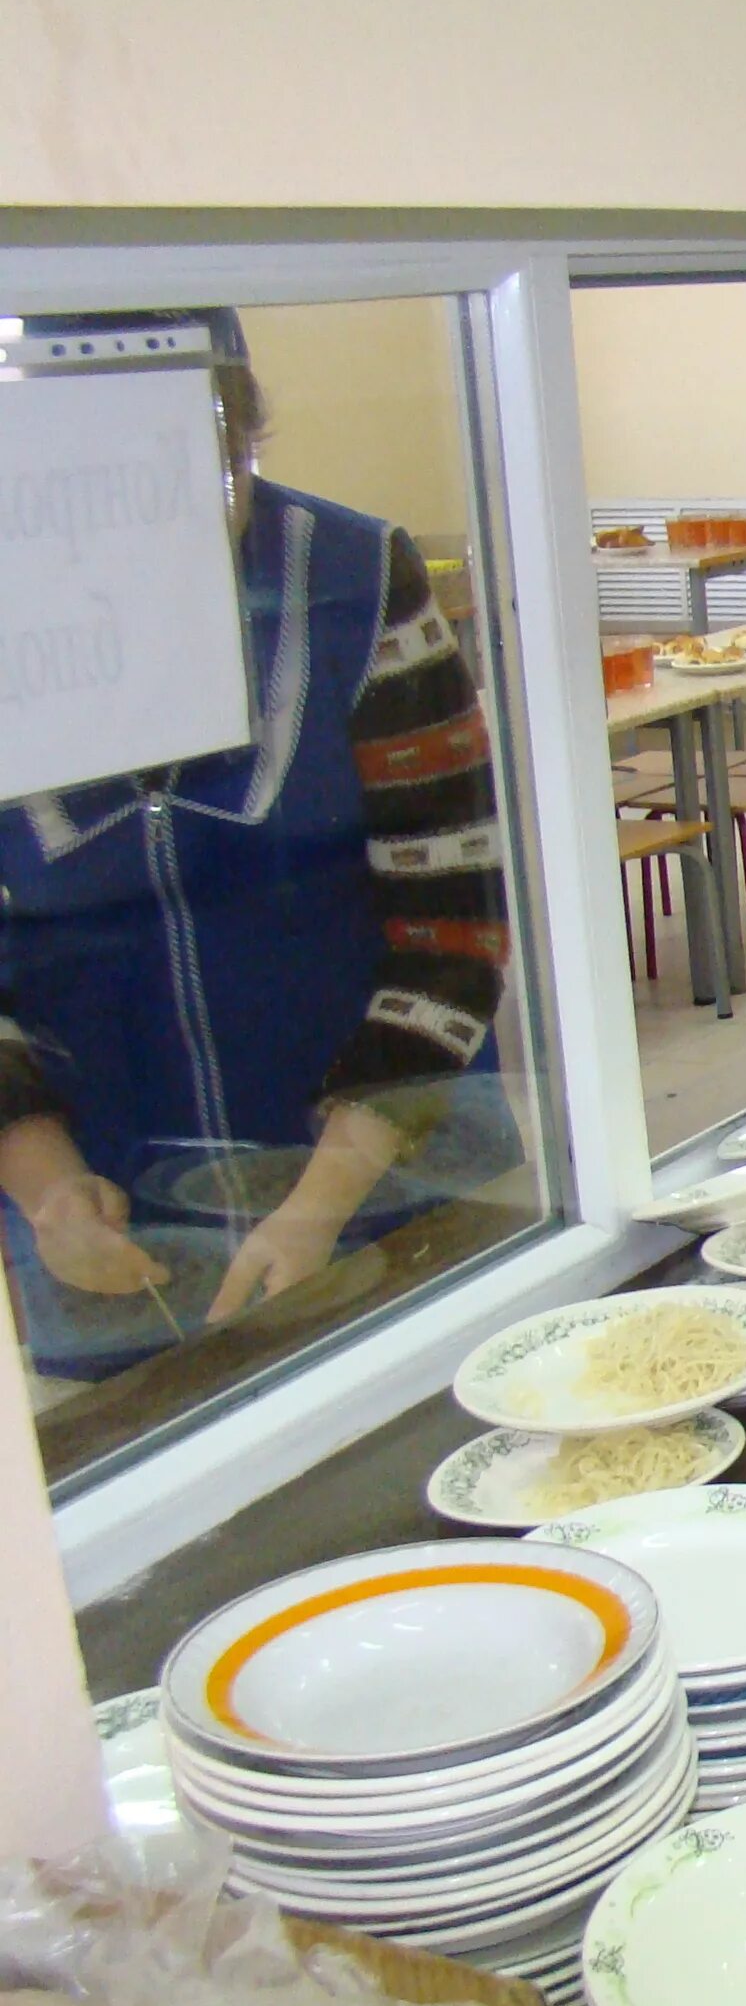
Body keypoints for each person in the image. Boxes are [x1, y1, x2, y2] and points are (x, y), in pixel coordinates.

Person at [0, 308, 510, 1356]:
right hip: (111, 1215)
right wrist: (47, 1190)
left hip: (390, 1163)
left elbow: (454, 926)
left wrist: (322, 1201)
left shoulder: (359, 582)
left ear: (238, 435)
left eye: (204, 473)